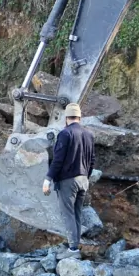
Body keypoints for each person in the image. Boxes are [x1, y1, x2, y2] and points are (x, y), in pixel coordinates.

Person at [43, 103, 96, 259]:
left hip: (68, 181)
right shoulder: (89, 134)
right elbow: (92, 160)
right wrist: (86, 176)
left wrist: (48, 179)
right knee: (77, 213)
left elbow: (58, 160)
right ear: (79, 117)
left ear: (66, 118)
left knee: (68, 214)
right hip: (83, 180)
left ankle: (73, 250)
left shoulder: (65, 134)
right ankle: (75, 245)